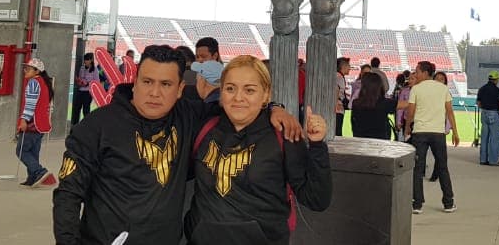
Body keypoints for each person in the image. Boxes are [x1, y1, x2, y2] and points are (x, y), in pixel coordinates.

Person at [53, 45, 301, 245]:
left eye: (166, 84)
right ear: (135, 82)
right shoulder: (96, 126)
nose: (155, 93)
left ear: (181, 89)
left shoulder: (189, 116)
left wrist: (274, 108)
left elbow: (239, 104)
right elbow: (68, 194)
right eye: (147, 82)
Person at [186, 55, 331, 245]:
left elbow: (316, 199)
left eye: (250, 90)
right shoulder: (205, 128)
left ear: (266, 95)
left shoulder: (284, 135)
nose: (238, 97)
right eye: (230, 88)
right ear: (221, 92)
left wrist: (317, 146)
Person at [405, 61, 459, 214]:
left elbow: (411, 111)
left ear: (425, 72)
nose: (415, 74)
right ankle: (448, 202)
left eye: (417, 71)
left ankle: (417, 203)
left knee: (418, 168)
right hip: (437, 133)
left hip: (420, 132)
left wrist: (408, 126)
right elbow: (449, 112)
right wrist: (455, 132)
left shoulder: (416, 89)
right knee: (442, 167)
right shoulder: (443, 89)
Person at [17, 58, 57, 189]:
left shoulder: (33, 83)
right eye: (25, 68)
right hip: (42, 124)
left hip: (32, 123)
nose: (25, 71)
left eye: (28, 69)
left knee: (21, 150)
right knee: (33, 152)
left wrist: (23, 120)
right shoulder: (45, 83)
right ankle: (32, 177)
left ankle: (40, 172)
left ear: (37, 71)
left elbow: (30, 105)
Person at [350, 72, 396, 139]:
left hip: (361, 141)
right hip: (380, 142)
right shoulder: (385, 103)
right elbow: (408, 104)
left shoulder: (356, 103)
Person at [476, 71, 499, 166]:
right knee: (494, 138)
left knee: (484, 138)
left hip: (484, 113)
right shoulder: (498, 91)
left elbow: (479, 103)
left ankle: (483, 160)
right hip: (494, 114)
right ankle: (493, 161)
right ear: (496, 80)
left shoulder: (482, 89)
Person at [72, 53, 105, 126]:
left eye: (87, 60)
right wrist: (79, 81)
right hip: (80, 91)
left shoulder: (95, 70)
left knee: (86, 110)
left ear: (91, 60)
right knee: (76, 109)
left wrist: (87, 83)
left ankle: (86, 126)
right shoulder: (82, 68)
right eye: (85, 60)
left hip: (88, 93)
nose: (85, 62)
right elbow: (80, 78)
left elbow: (96, 82)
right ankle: (75, 126)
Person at [334, 57, 351, 136]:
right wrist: (336, 105)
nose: (350, 68)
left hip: (337, 108)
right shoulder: (339, 77)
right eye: (348, 65)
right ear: (343, 66)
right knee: (337, 133)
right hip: (337, 109)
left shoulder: (338, 76)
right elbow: (335, 91)